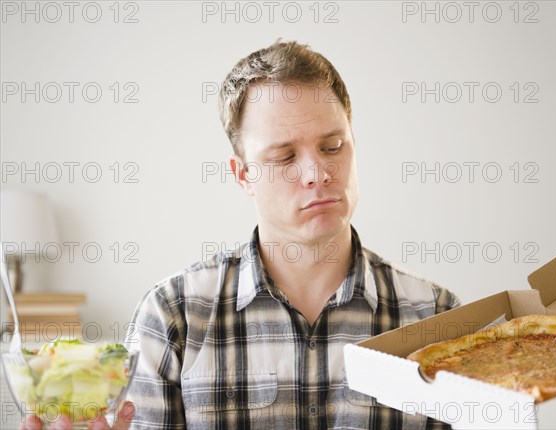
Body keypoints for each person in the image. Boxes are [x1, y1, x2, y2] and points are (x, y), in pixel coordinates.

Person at [23, 39, 460, 429]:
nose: (318, 172)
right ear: (242, 174)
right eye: (284, 156)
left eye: (332, 146)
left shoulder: (440, 318)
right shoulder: (172, 317)